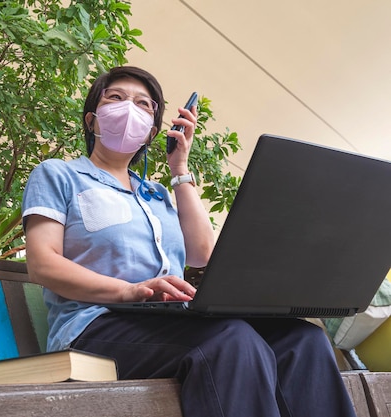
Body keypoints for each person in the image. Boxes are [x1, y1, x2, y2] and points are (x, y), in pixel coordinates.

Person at [21, 66, 356, 417]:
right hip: (94, 325)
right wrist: (129, 290)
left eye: (143, 104)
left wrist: (180, 168)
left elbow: (202, 255)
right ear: (93, 120)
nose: (128, 108)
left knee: (303, 341)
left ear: (152, 132)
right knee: (231, 340)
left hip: (168, 321)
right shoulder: (58, 174)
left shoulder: (158, 194)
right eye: (115, 98)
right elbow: (43, 263)